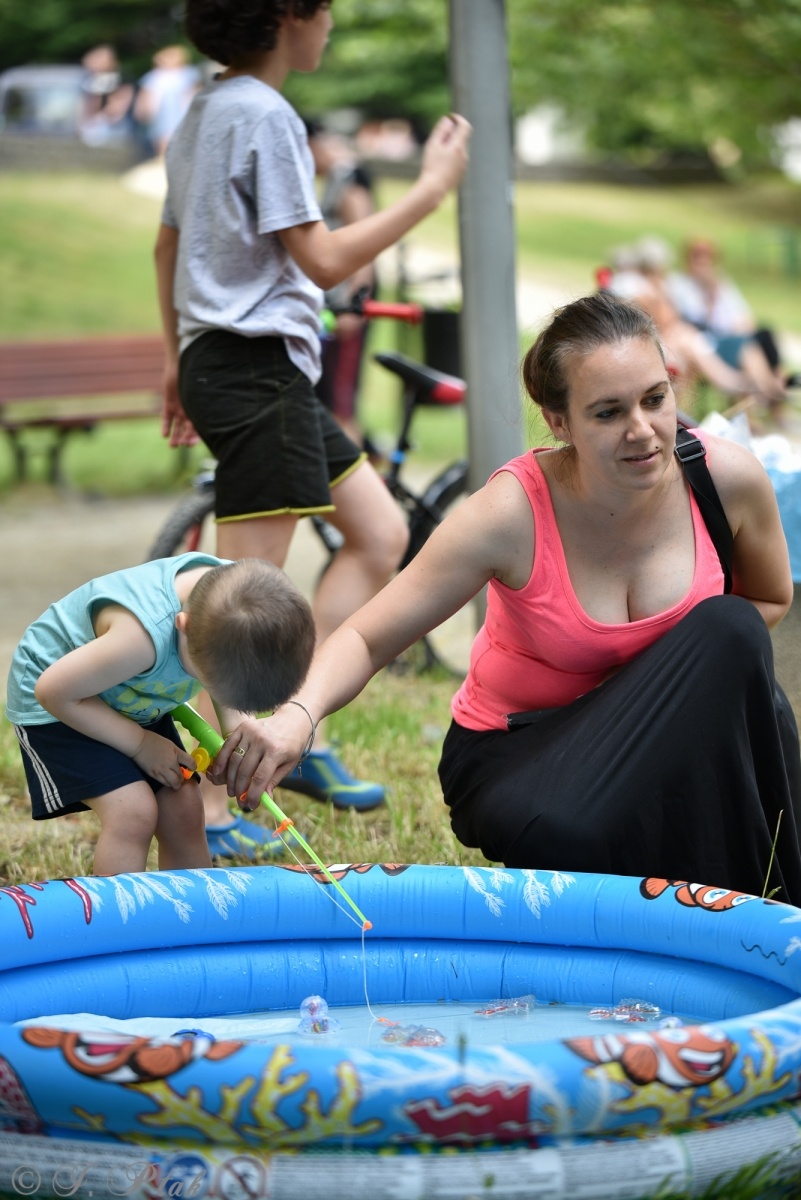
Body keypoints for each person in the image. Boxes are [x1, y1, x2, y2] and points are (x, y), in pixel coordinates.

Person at [204, 292, 801, 906]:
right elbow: (366, 635)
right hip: (529, 757)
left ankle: (764, 918)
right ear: (560, 422)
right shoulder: (510, 513)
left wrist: (654, 686)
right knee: (572, 836)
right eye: (607, 412)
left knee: (730, 631)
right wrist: (296, 720)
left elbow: (767, 602)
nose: (642, 430)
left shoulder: (724, 480)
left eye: (655, 399)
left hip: (659, 748)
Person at [154, 0, 470, 855]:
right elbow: (325, 260)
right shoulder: (265, 113)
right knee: (235, 606)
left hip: (244, 366)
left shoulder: (205, 110)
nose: (330, 24)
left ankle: (302, 733)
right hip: (255, 368)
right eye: (325, 8)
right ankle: (215, 813)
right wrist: (433, 191)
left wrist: (176, 358)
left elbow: (166, 247)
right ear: (286, 14)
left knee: (380, 530)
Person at [5, 555, 316, 877]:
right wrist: (140, 744)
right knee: (133, 811)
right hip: (61, 702)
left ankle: (195, 914)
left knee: (184, 806)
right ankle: (121, 921)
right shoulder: (138, 639)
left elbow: (231, 669)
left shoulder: (242, 604)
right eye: (214, 683)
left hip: (129, 689)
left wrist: (238, 724)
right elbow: (53, 691)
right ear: (183, 626)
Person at [609, 236, 788, 422]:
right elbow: (666, 319)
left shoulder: (717, 283)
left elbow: (743, 318)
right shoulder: (667, 286)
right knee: (692, 340)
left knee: (759, 336)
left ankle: (762, 391)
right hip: (698, 337)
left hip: (712, 336)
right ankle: (744, 385)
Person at [306, 120, 377, 446]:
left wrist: (355, 304)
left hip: (347, 303)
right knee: (331, 398)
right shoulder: (334, 179)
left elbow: (365, 244)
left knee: (341, 402)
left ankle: (362, 484)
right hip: (332, 304)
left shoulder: (347, 179)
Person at [667, 236, 791, 391]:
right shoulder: (679, 284)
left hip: (732, 334)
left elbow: (743, 315)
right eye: (698, 257)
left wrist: (740, 326)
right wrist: (710, 298)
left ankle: (775, 386)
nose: (703, 263)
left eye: (707, 257)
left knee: (764, 334)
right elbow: (696, 322)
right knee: (748, 348)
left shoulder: (722, 284)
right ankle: (773, 390)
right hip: (712, 342)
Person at [134, 45, 202, 158]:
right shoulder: (155, 76)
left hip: (181, 111)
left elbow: (195, 92)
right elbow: (145, 94)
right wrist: (142, 110)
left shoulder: (189, 73)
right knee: (161, 138)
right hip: (160, 112)